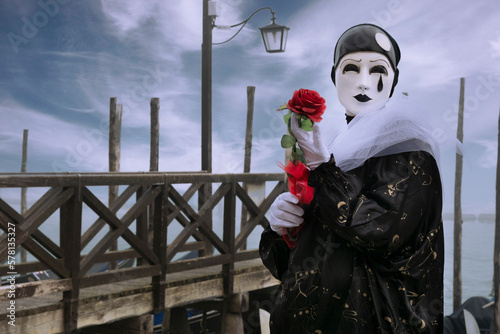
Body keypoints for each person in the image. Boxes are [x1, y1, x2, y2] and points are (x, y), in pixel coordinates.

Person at [260, 23, 444, 333]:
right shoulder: (332, 143)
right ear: (335, 77)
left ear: (393, 80)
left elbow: (379, 233)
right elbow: (290, 267)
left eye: (377, 70)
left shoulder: (412, 152)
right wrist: (282, 231)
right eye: (351, 68)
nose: (363, 82)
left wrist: (323, 170)